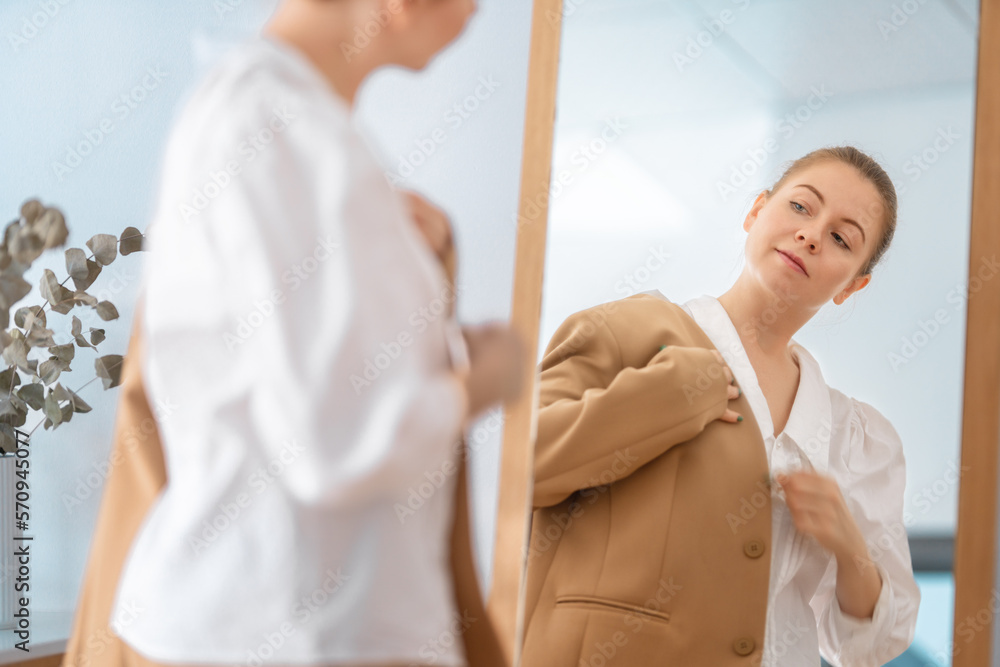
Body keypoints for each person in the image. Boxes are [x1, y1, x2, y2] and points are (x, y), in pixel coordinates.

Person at [62, 1, 525, 665]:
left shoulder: (280, 122)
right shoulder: (278, 126)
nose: (476, 11)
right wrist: (482, 382)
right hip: (287, 631)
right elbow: (331, 439)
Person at [520, 146, 920, 666]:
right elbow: (516, 471)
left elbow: (869, 647)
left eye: (842, 238)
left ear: (853, 286)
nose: (812, 235)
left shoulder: (859, 440)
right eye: (801, 207)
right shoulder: (626, 335)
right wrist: (665, 398)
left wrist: (850, 549)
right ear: (756, 211)